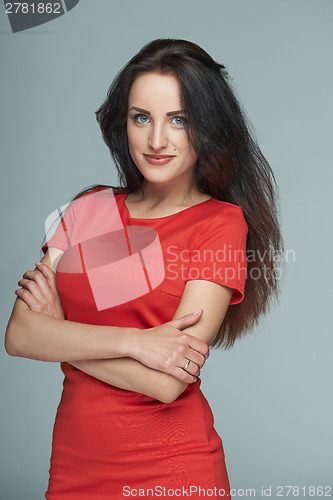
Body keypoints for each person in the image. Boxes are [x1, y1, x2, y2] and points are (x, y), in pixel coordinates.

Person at [5, 38, 283, 499]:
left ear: (209, 128)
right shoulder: (87, 210)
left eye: (179, 120)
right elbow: (18, 336)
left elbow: (165, 382)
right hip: (75, 465)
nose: (157, 140)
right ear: (123, 124)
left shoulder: (220, 224)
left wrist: (60, 331)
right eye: (141, 118)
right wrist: (135, 342)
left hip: (173, 471)